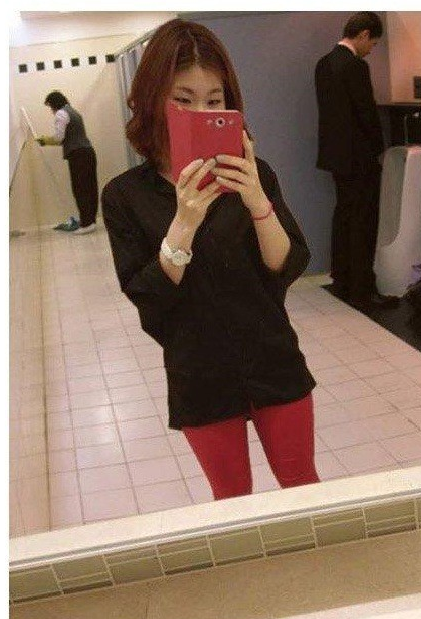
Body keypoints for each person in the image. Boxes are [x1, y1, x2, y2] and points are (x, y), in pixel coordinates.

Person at [102, 18, 320, 501]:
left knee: (304, 491)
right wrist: (183, 222)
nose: (200, 112)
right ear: (152, 99)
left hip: (272, 357)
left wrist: (257, 201)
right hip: (198, 373)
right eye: (183, 99)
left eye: (214, 101)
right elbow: (147, 295)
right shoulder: (124, 196)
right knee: (231, 501)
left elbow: (286, 266)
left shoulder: (254, 174)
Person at [315, 12, 398, 310]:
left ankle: (342, 280)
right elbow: (367, 113)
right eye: (372, 43)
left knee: (344, 217)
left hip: (335, 157)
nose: (371, 49)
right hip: (359, 157)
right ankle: (363, 291)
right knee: (364, 222)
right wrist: (379, 147)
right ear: (363, 34)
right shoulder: (355, 66)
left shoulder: (323, 64)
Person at [37, 91, 98, 234]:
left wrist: (45, 140)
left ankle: (87, 224)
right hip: (88, 152)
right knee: (90, 188)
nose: (51, 110)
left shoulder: (61, 113)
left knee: (80, 189)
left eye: (50, 106)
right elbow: (67, 137)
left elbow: (59, 138)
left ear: (54, 104)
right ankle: (90, 221)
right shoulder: (73, 112)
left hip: (78, 155)